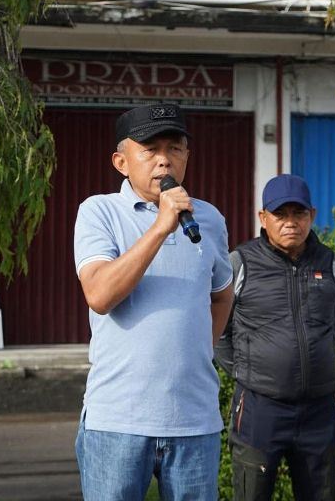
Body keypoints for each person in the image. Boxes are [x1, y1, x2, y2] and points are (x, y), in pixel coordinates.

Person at [73, 102, 234, 500]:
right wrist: (161, 226)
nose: (164, 160)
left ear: (187, 156)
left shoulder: (209, 219)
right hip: (119, 421)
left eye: (175, 148)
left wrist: (199, 349)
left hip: (195, 421)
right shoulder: (99, 212)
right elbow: (99, 294)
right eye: (150, 149)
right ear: (121, 161)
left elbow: (222, 295)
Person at [214, 174, 335, 501]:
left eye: (298, 214)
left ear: (312, 216)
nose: (290, 223)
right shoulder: (240, 263)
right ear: (263, 218)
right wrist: (249, 371)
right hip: (260, 410)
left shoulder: (330, 264)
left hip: (318, 411)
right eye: (280, 214)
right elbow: (218, 333)